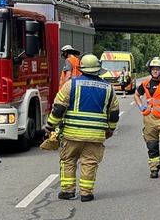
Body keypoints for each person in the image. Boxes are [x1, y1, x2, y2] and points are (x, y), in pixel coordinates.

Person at [45, 54, 119, 202]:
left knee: (68, 160)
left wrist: (50, 125)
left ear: (82, 69)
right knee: (89, 162)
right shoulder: (108, 88)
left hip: (73, 133)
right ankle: (86, 193)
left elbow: (59, 109)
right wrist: (110, 130)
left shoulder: (71, 84)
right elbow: (114, 114)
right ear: (98, 70)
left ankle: (68, 191)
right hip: (96, 135)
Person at [133, 57, 160, 179]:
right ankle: (154, 168)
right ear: (150, 70)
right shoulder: (145, 84)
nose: (155, 71)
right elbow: (136, 95)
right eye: (153, 69)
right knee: (152, 145)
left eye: (157, 69)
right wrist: (141, 106)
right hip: (149, 119)